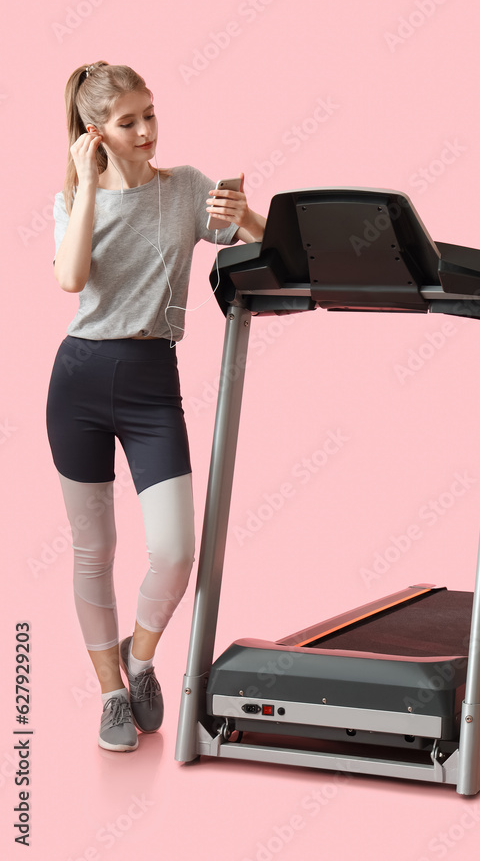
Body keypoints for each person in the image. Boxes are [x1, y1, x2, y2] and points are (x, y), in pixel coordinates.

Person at [46, 61, 265, 752]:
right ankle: (111, 695)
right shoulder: (70, 200)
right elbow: (72, 278)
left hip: (149, 379)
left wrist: (248, 215)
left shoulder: (186, 188)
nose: (146, 132)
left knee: (173, 548)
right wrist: (84, 187)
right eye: (127, 122)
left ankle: (138, 663)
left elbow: (269, 250)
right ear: (94, 132)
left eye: (150, 114)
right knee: (95, 550)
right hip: (78, 378)